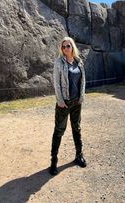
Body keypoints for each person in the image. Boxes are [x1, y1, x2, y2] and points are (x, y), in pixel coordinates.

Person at [49, 36, 87, 175]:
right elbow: (56, 83)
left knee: (76, 128)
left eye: (68, 46)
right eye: (63, 46)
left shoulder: (79, 62)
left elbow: (82, 81)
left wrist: (82, 96)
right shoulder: (59, 62)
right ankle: (53, 161)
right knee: (59, 130)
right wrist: (60, 100)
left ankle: (79, 155)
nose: (65, 48)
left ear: (72, 47)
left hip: (77, 102)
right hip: (63, 103)